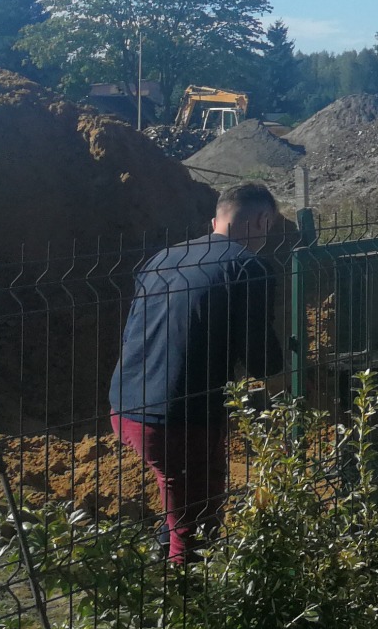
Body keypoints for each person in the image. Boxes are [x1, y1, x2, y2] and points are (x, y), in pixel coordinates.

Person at [109, 181, 284, 563]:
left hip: (125, 403)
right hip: (178, 420)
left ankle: (165, 549)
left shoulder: (164, 257)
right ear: (261, 220)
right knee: (198, 521)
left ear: (217, 218)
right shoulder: (247, 266)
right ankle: (186, 586)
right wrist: (281, 358)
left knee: (179, 494)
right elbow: (262, 361)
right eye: (269, 227)